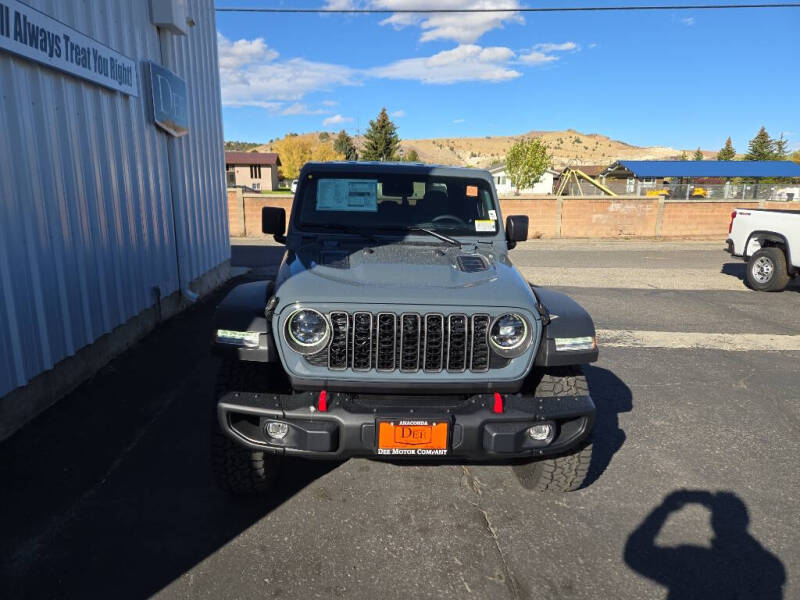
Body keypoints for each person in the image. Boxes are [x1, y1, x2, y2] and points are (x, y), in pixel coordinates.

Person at [625, 490, 785, 600]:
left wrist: (665, 508)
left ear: (715, 522)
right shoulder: (769, 569)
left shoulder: (697, 562)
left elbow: (635, 553)